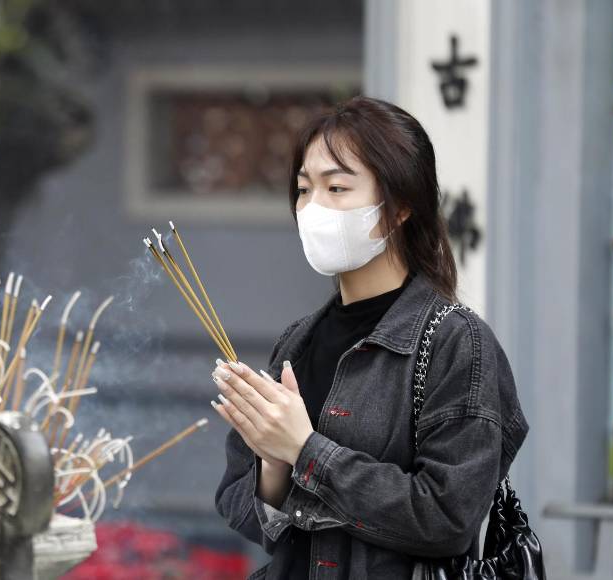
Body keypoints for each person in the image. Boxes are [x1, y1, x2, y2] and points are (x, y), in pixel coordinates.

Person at [211, 96, 529, 579]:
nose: (313, 208)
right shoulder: (298, 340)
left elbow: (448, 518)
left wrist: (305, 450)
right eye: (303, 189)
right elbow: (245, 513)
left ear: (401, 206)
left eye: (337, 187)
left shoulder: (455, 342)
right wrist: (273, 464)